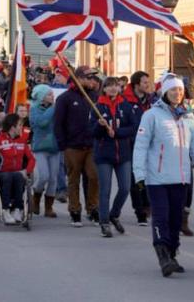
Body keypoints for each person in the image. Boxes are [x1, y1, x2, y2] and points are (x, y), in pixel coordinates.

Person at [133, 73, 194, 277]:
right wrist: (139, 174)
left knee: (176, 220)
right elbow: (140, 146)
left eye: (180, 90)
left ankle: (172, 252)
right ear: (165, 92)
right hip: (157, 178)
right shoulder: (151, 116)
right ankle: (163, 254)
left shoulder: (188, 116)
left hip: (181, 177)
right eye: (173, 90)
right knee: (161, 217)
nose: (177, 93)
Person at [54, 65, 100, 227]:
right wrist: (63, 145)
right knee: (73, 179)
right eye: (88, 77)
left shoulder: (95, 96)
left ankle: (93, 208)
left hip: (91, 145)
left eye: (93, 78)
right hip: (72, 146)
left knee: (94, 176)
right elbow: (58, 123)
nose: (92, 81)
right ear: (79, 78)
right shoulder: (65, 98)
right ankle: (75, 210)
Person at [92, 77, 136, 237]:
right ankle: (104, 222)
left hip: (123, 154)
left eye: (115, 86)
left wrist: (117, 132)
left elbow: (133, 127)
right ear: (103, 89)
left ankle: (114, 214)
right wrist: (100, 125)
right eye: (109, 86)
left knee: (125, 188)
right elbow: (92, 132)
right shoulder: (97, 107)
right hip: (104, 154)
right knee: (105, 190)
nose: (112, 88)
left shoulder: (125, 106)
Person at [0, 113, 36, 225]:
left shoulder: (22, 141)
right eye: (19, 125)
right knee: (10, 176)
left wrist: (26, 171)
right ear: (12, 127)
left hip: (16, 173)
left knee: (17, 176)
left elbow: (32, 159)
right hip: (0, 174)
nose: (21, 128)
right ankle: (5, 210)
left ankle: (17, 210)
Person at [123, 70, 153, 226]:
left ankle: (148, 204)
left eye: (148, 83)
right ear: (136, 85)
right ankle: (140, 210)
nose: (148, 85)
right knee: (136, 180)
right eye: (145, 83)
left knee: (149, 177)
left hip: (149, 145)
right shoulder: (125, 100)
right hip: (131, 145)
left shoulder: (151, 100)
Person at [29, 84, 60, 218]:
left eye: (52, 94)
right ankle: (35, 197)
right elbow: (42, 122)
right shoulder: (34, 109)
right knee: (43, 176)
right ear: (41, 97)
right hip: (40, 147)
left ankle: (49, 207)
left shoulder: (55, 109)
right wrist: (53, 109)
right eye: (48, 94)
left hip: (55, 147)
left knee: (53, 178)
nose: (52, 96)